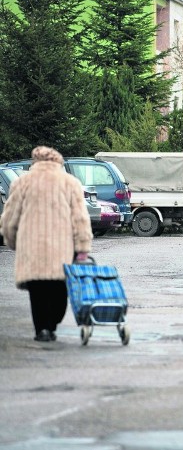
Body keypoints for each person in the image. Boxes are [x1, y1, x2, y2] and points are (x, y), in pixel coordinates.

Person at [0, 146, 93, 342]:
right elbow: (80, 218)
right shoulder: (70, 182)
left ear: (34, 161)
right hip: (62, 246)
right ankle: (52, 324)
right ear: (58, 162)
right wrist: (82, 246)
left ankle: (41, 329)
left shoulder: (21, 182)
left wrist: (11, 240)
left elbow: (10, 217)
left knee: (38, 289)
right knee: (59, 287)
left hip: (30, 245)